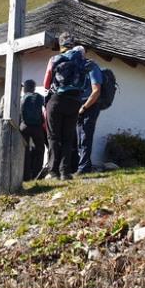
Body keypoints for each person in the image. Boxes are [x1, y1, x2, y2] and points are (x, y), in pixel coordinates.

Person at [43, 32, 87, 180]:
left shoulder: (54, 59)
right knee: (68, 137)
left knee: (54, 137)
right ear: (73, 43)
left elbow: (46, 82)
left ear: (60, 44)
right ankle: (65, 172)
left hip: (57, 100)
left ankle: (53, 172)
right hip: (74, 101)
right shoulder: (81, 59)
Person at [76, 47, 103, 175]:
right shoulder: (76, 68)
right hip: (78, 106)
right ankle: (83, 165)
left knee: (85, 136)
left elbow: (96, 91)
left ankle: (83, 168)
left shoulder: (92, 66)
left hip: (90, 105)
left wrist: (84, 107)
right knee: (79, 137)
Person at [20, 80, 45, 181]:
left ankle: (25, 176)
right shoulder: (39, 97)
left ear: (25, 88)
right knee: (40, 149)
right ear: (34, 87)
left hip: (24, 126)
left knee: (24, 151)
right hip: (37, 127)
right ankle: (37, 174)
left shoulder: (22, 98)